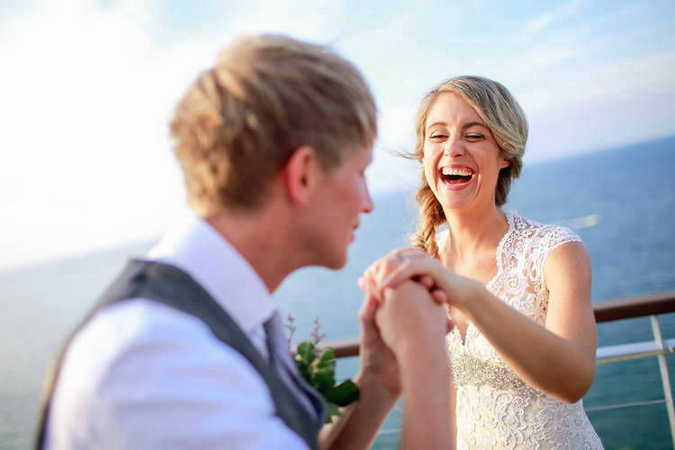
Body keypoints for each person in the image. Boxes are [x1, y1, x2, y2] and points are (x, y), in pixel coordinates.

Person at [35, 34, 453, 450]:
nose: (366, 203)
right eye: (360, 172)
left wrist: (380, 380)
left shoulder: (213, 317)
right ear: (304, 174)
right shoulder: (158, 362)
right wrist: (425, 356)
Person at [362, 76, 604, 449]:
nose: (453, 148)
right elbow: (447, 403)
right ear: (424, 154)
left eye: (474, 136)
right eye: (438, 136)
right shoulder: (424, 262)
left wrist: (470, 296)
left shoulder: (555, 252)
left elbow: (572, 382)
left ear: (505, 153)